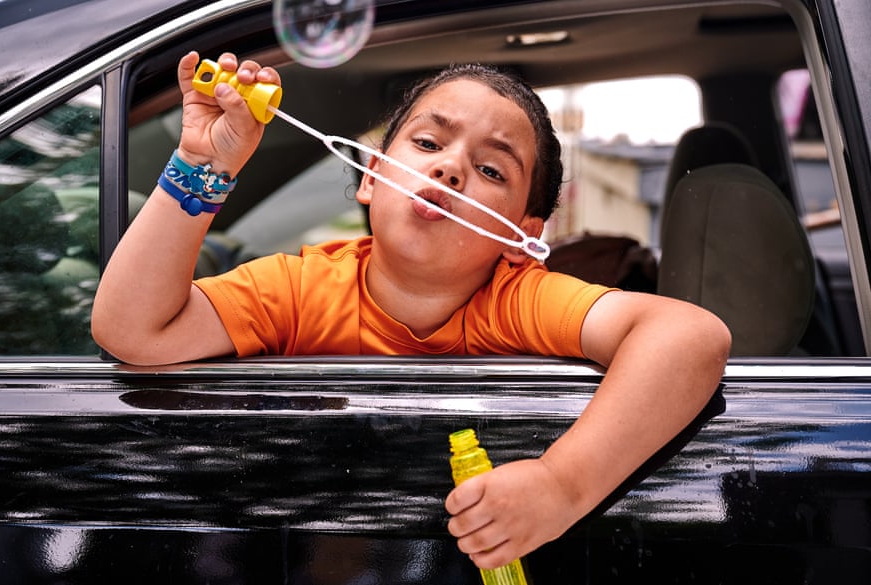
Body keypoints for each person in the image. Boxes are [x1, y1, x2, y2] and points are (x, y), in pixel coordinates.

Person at [92, 52, 731, 570]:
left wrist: (561, 486)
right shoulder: (302, 286)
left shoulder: (518, 298)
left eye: (489, 169)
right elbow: (135, 329)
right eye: (428, 142)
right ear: (371, 177)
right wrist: (202, 166)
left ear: (522, 235)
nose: (451, 167)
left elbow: (690, 337)